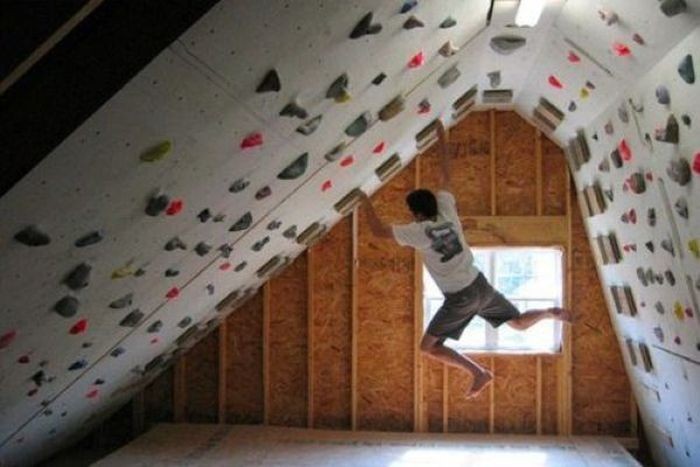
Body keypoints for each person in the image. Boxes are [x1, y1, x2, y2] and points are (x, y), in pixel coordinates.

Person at [360, 120, 571, 398]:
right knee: (518, 322)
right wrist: (441, 134)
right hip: (479, 285)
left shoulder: (418, 232)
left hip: (460, 297)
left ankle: (478, 372)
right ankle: (548, 313)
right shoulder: (448, 210)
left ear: (417, 214)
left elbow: (378, 230)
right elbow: (446, 174)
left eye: (412, 213)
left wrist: (362, 197)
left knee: (428, 347)